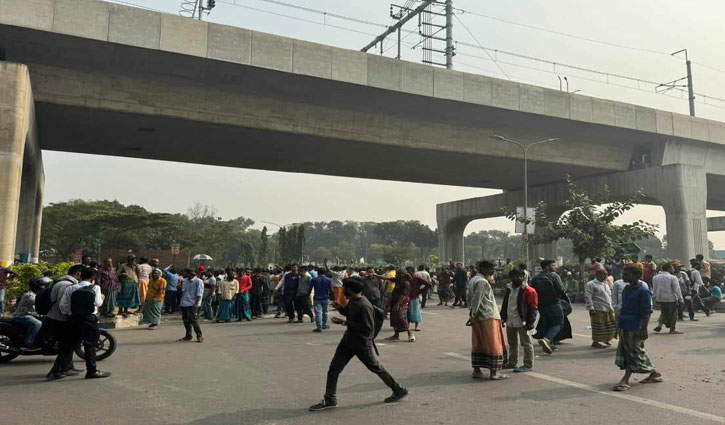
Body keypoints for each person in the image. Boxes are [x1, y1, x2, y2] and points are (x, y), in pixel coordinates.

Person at [309, 278, 408, 411]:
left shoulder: (364, 304)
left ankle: (398, 389)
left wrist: (344, 323)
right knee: (334, 369)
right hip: (348, 340)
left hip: (361, 343)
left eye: (344, 287)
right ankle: (330, 399)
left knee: (376, 368)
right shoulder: (354, 301)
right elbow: (350, 314)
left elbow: (367, 328)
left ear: (350, 289)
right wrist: (340, 309)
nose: (342, 289)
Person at [613, 266, 662, 391]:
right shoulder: (626, 289)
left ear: (636, 275)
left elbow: (647, 312)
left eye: (626, 274)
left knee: (633, 352)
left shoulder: (643, 291)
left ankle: (625, 379)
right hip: (624, 324)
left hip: (636, 325)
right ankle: (653, 373)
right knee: (633, 351)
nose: (623, 276)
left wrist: (644, 328)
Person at [59, 266, 110, 379]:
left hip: (74, 318)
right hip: (89, 319)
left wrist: (69, 313)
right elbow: (98, 303)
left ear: (80, 276)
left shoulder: (71, 288)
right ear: (93, 277)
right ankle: (91, 370)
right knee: (90, 346)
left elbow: (63, 305)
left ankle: (62, 369)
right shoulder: (95, 288)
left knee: (70, 344)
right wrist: (102, 297)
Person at [467, 260, 508, 380]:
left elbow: (472, 299)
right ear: (483, 269)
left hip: (479, 316)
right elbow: (477, 299)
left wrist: (472, 315)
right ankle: (494, 373)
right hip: (488, 315)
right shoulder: (482, 282)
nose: (493, 271)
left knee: (479, 343)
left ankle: (477, 370)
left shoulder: (474, 279)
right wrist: (473, 315)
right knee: (493, 343)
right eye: (491, 269)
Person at [45, 265, 86, 380]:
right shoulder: (67, 285)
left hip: (55, 318)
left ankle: (67, 367)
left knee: (68, 346)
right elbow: (63, 305)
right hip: (62, 320)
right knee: (66, 347)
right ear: (78, 274)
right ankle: (55, 371)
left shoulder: (60, 282)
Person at [500, 268, 538, 373]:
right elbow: (505, 304)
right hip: (510, 319)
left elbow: (533, 308)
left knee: (526, 343)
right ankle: (512, 362)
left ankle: (528, 364)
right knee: (512, 343)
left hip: (523, 321)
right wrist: (502, 317)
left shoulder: (529, 290)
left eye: (521, 276)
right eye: (517, 276)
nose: (519, 278)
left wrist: (530, 322)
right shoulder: (509, 289)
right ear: (511, 277)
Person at [531, 259, 570, 354]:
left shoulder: (535, 278)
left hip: (541, 305)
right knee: (558, 323)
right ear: (547, 267)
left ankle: (550, 343)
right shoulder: (554, 276)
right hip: (554, 303)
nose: (555, 267)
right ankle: (547, 339)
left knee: (547, 323)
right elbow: (562, 289)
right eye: (553, 265)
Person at [12, 277, 48, 351]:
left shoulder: (35, 294)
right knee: (37, 323)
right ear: (37, 286)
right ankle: (27, 344)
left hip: (29, 315)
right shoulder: (29, 295)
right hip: (21, 316)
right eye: (43, 285)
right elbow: (40, 304)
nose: (44, 287)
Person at [584, 268, 617, 348]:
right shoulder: (591, 284)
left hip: (608, 308)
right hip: (597, 308)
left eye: (606, 274)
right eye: (603, 274)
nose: (605, 276)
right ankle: (595, 342)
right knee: (598, 326)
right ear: (597, 275)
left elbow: (609, 296)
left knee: (609, 325)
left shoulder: (606, 284)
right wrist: (591, 308)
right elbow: (588, 297)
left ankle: (606, 339)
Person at [652, 263, 683, 334]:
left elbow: (654, 288)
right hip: (671, 298)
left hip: (660, 298)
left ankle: (660, 324)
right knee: (673, 314)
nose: (674, 269)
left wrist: (654, 298)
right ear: (669, 269)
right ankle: (672, 329)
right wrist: (680, 299)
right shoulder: (673, 277)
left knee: (663, 312)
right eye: (672, 268)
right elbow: (676, 289)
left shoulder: (655, 277)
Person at [384, 271, 414, 342]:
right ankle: (396, 335)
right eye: (396, 274)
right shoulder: (397, 281)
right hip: (394, 301)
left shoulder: (406, 283)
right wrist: (389, 301)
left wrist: (398, 304)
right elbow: (393, 292)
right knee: (394, 318)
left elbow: (403, 295)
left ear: (403, 275)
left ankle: (410, 334)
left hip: (402, 302)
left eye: (398, 274)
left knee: (401, 317)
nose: (397, 275)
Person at [178, 269, 204, 343]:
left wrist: (196, 304)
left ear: (191, 273)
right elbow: (183, 292)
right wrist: (180, 304)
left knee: (193, 320)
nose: (185, 275)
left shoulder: (198, 281)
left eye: (186, 273)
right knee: (186, 320)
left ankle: (199, 335)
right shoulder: (185, 281)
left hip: (192, 303)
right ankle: (188, 336)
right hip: (184, 303)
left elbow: (199, 294)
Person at [408, 267, 431, 332]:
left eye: (409, 272)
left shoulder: (416, 279)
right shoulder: (405, 279)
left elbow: (428, 284)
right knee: (407, 312)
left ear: (413, 272)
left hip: (415, 297)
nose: (408, 274)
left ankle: (416, 326)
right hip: (407, 297)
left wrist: (420, 290)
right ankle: (408, 325)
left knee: (416, 311)